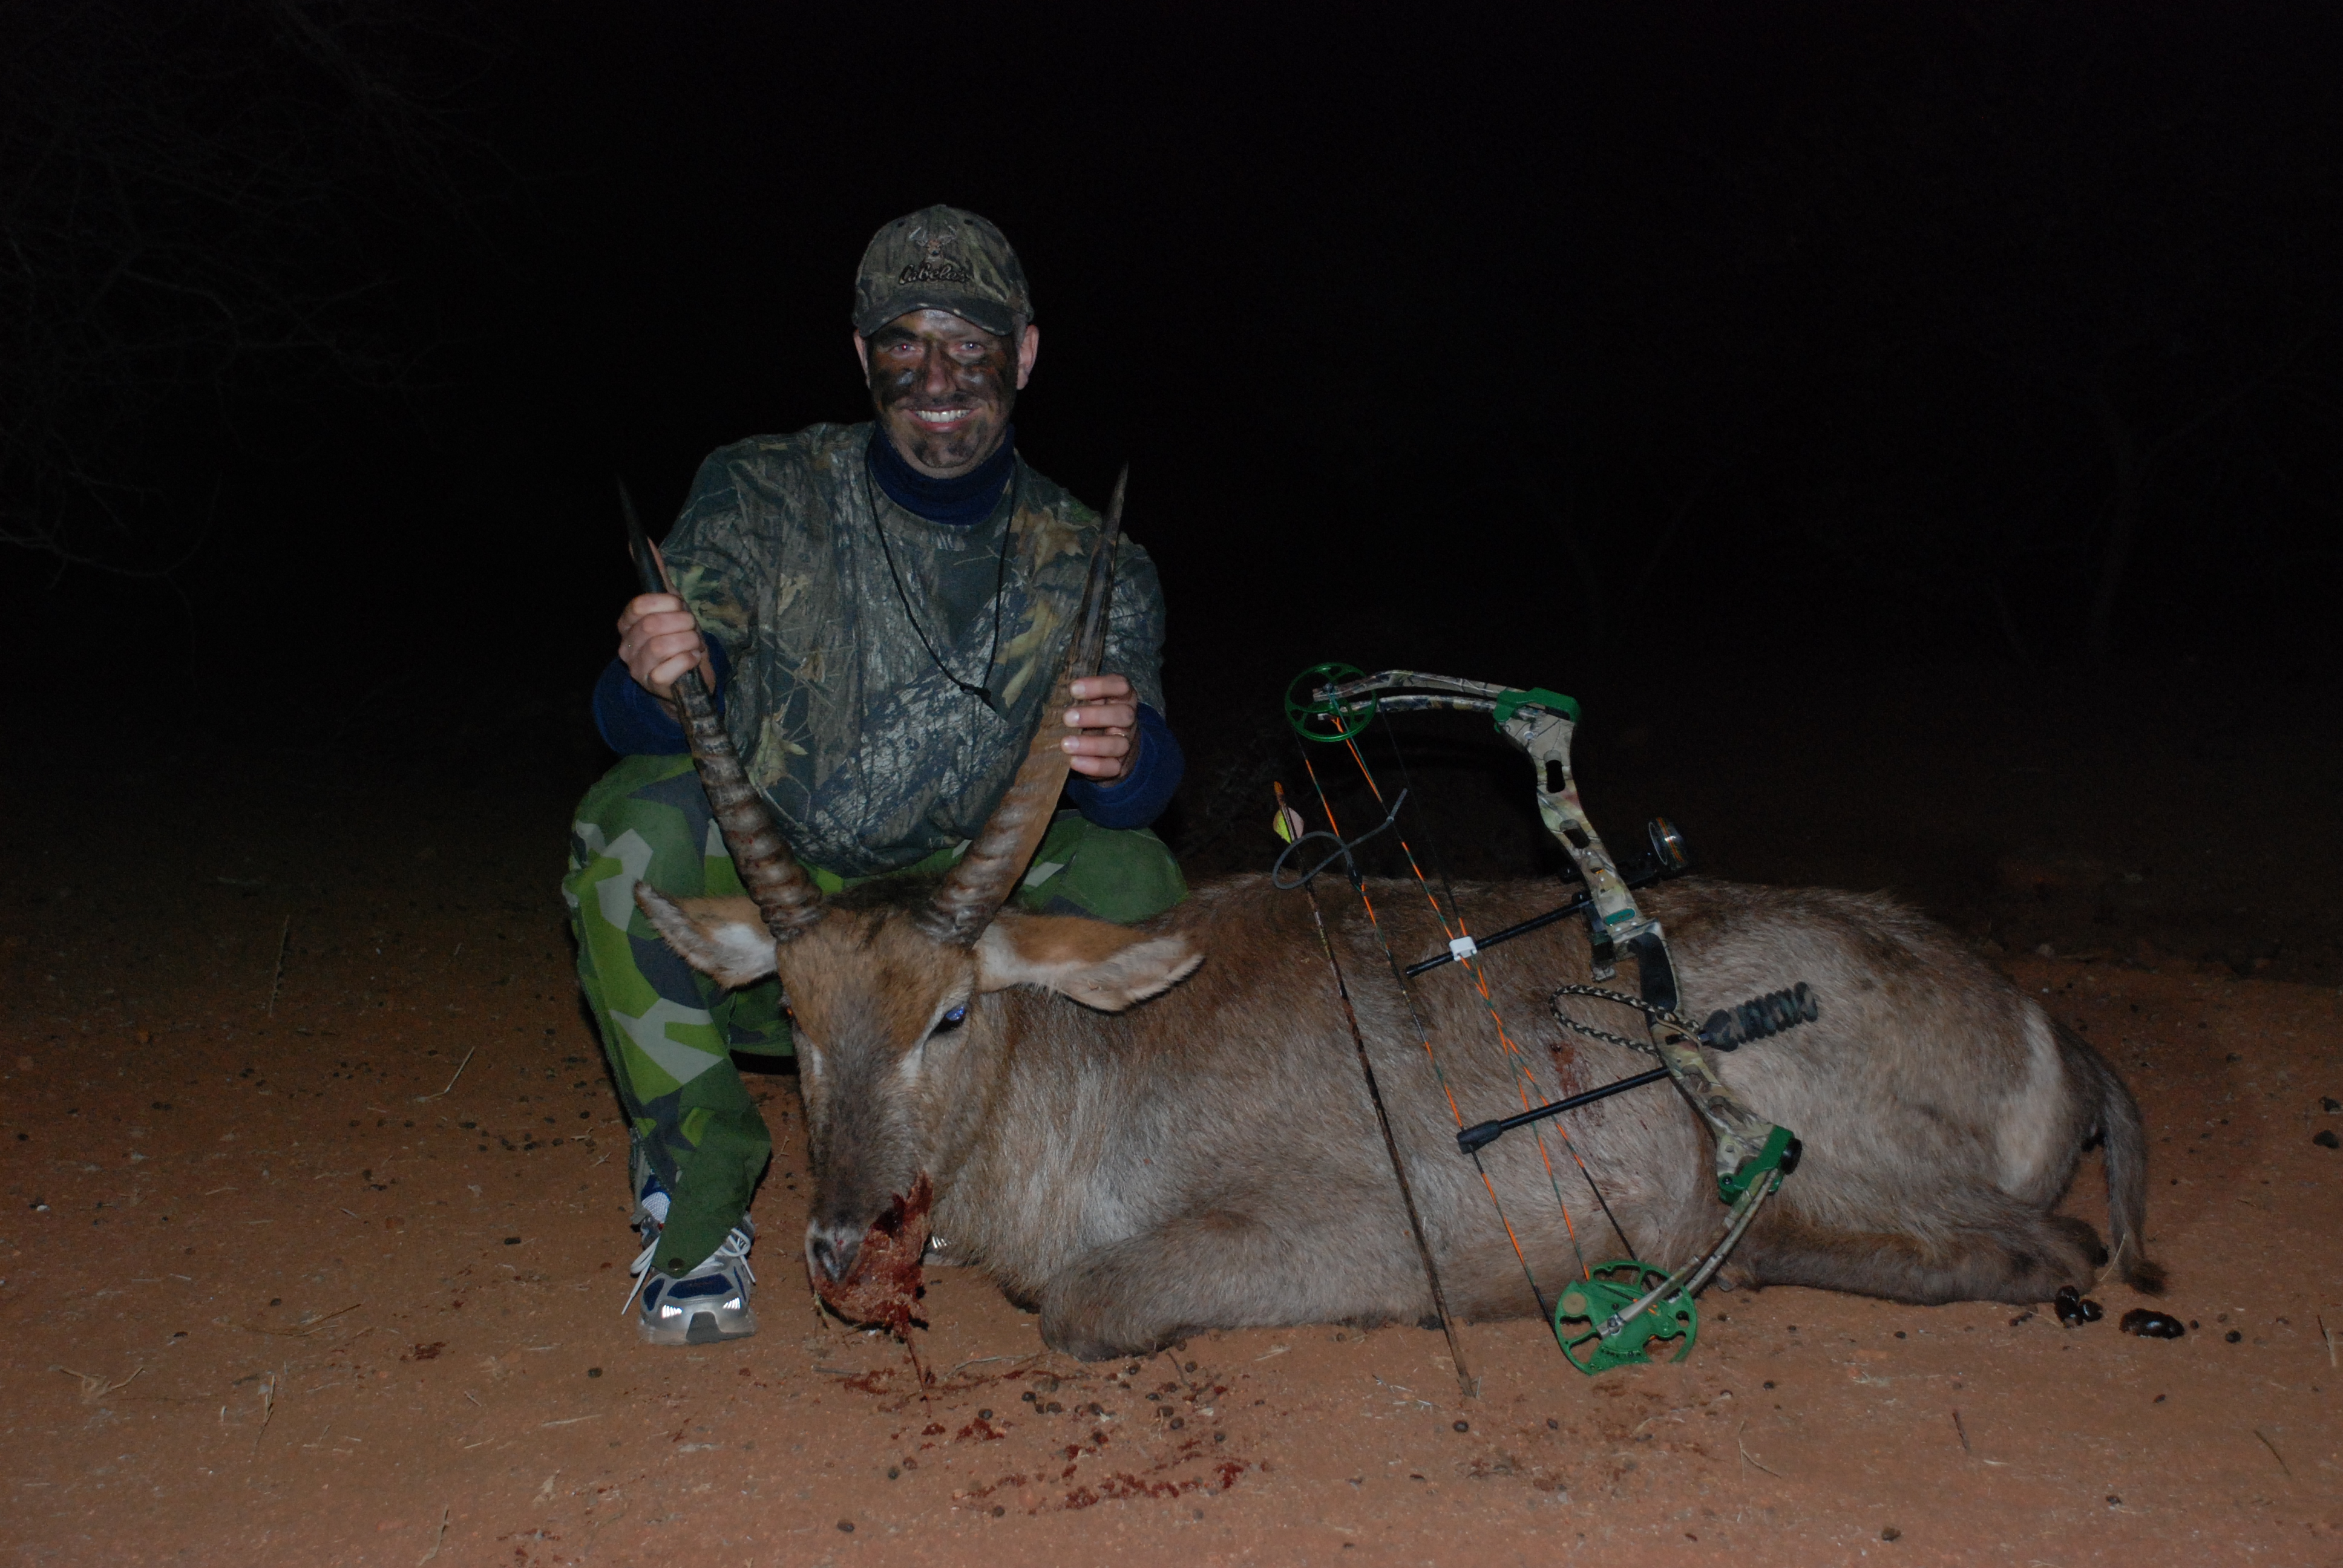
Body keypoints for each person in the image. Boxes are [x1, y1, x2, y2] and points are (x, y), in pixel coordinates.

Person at [562, 206, 1187, 1346]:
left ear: (1024, 354)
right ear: (863, 355)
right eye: (905, 342)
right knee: (628, 825)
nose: (938, 377)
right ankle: (699, 1187)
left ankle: (1001, 1174)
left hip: (948, 946)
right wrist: (651, 675)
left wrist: (1127, 757)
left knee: (1133, 871)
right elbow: (639, 716)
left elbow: (1139, 789)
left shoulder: (1091, 560)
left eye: (970, 344)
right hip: (795, 933)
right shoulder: (758, 492)